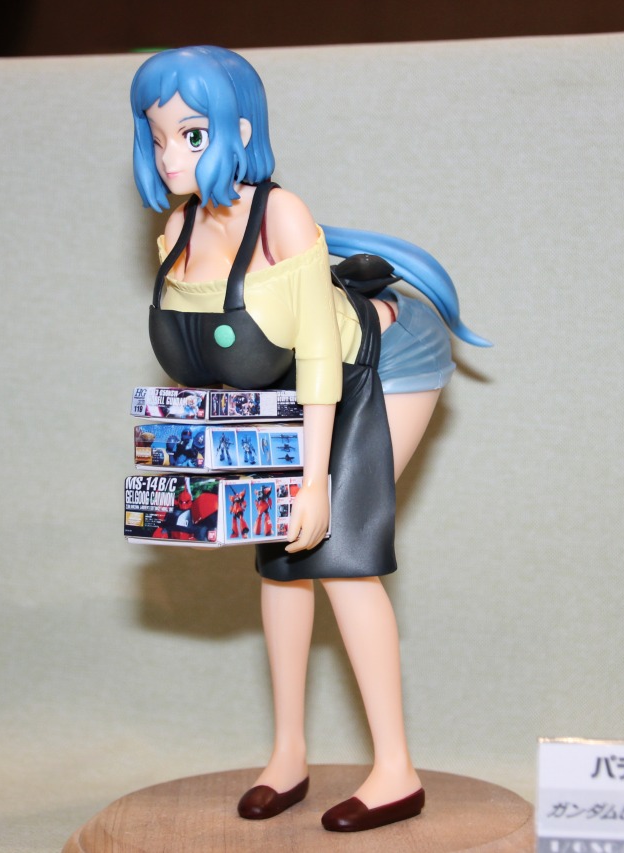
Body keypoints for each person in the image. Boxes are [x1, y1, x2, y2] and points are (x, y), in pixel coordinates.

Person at [130, 45, 489, 833]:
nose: (170, 155)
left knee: (339, 555)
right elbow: (215, 365)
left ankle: (395, 771)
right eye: (157, 137)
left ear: (239, 130)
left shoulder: (281, 216)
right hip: (291, 382)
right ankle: (288, 753)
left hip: (377, 365)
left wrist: (315, 481)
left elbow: (321, 356)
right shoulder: (177, 229)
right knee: (279, 558)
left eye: (191, 135)